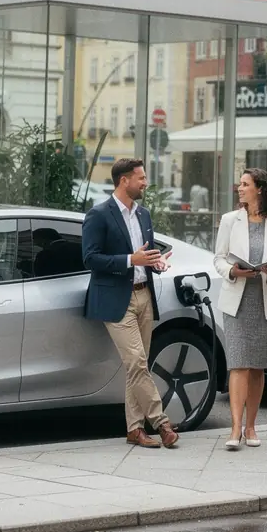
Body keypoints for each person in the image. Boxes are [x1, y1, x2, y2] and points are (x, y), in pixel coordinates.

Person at [82, 158, 179, 449]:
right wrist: (129, 260)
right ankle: (161, 423)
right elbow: (90, 258)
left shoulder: (144, 215)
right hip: (115, 299)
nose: (145, 183)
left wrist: (155, 262)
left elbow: (144, 255)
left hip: (143, 295)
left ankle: (134, 429)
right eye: (141, 178)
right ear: (124, 180)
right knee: (136, 362)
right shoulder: (99, 215)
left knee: (137, 367)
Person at [213, 169, 267, 451]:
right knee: (238, 363)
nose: (240, 188)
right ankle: (234, 428)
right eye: (240, 184)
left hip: (265, 298)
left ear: (260, 189)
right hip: (237, 299)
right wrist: (233, 271)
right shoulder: (229, 221)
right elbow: (219, 258)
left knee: (257, 366)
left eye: (245, 184)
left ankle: (251, 427)